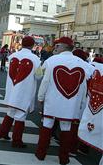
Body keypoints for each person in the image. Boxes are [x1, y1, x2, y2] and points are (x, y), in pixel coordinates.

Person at [35, 37, 94, 165]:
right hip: (71, 104)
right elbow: (91, 77)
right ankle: (63, 158)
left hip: (52, 102)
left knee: (47, 126)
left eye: (57, 46)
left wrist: (40, 98)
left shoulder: (51, 60)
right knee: (66, 129)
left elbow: (40, 77)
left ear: (63, 47)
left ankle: (41, 153)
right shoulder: (83, 64)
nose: (55, 48)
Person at [0, 36, 40, 148]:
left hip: (12, 90)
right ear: (32, 45)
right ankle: (16, 140)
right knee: (20, 116)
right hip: (24, 91)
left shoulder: (13, 56)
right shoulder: (35, 59)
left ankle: (3, 133)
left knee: (10, 113)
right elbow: (38, 76)